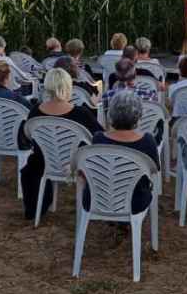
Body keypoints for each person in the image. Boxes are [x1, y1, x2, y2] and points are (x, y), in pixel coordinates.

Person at [20, 68, 104, 220]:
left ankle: (34, 209)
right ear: (68, 86)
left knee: (30, 166)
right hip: (75, 164)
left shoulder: (35, 112)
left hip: (44, 161)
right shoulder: (81, 113)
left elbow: (27, 136)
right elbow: (99, 138)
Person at [88, 91, 160, 214]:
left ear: (111, 114)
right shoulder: (148, 141)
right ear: (138, 115)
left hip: (100, 200)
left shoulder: (98, 138)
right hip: (135, 202)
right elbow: (154, 170)